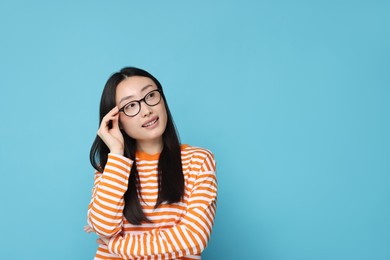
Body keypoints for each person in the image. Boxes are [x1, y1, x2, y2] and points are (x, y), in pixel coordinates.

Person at [84, 67, 217, 260]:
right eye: (130, 106)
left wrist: (118, 245)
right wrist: (117, 154)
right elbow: (103, 225)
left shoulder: (198, 160)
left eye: (150, 95)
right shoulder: (112, 167)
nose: (146, 110)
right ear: (116, 120)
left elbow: (194, 237)